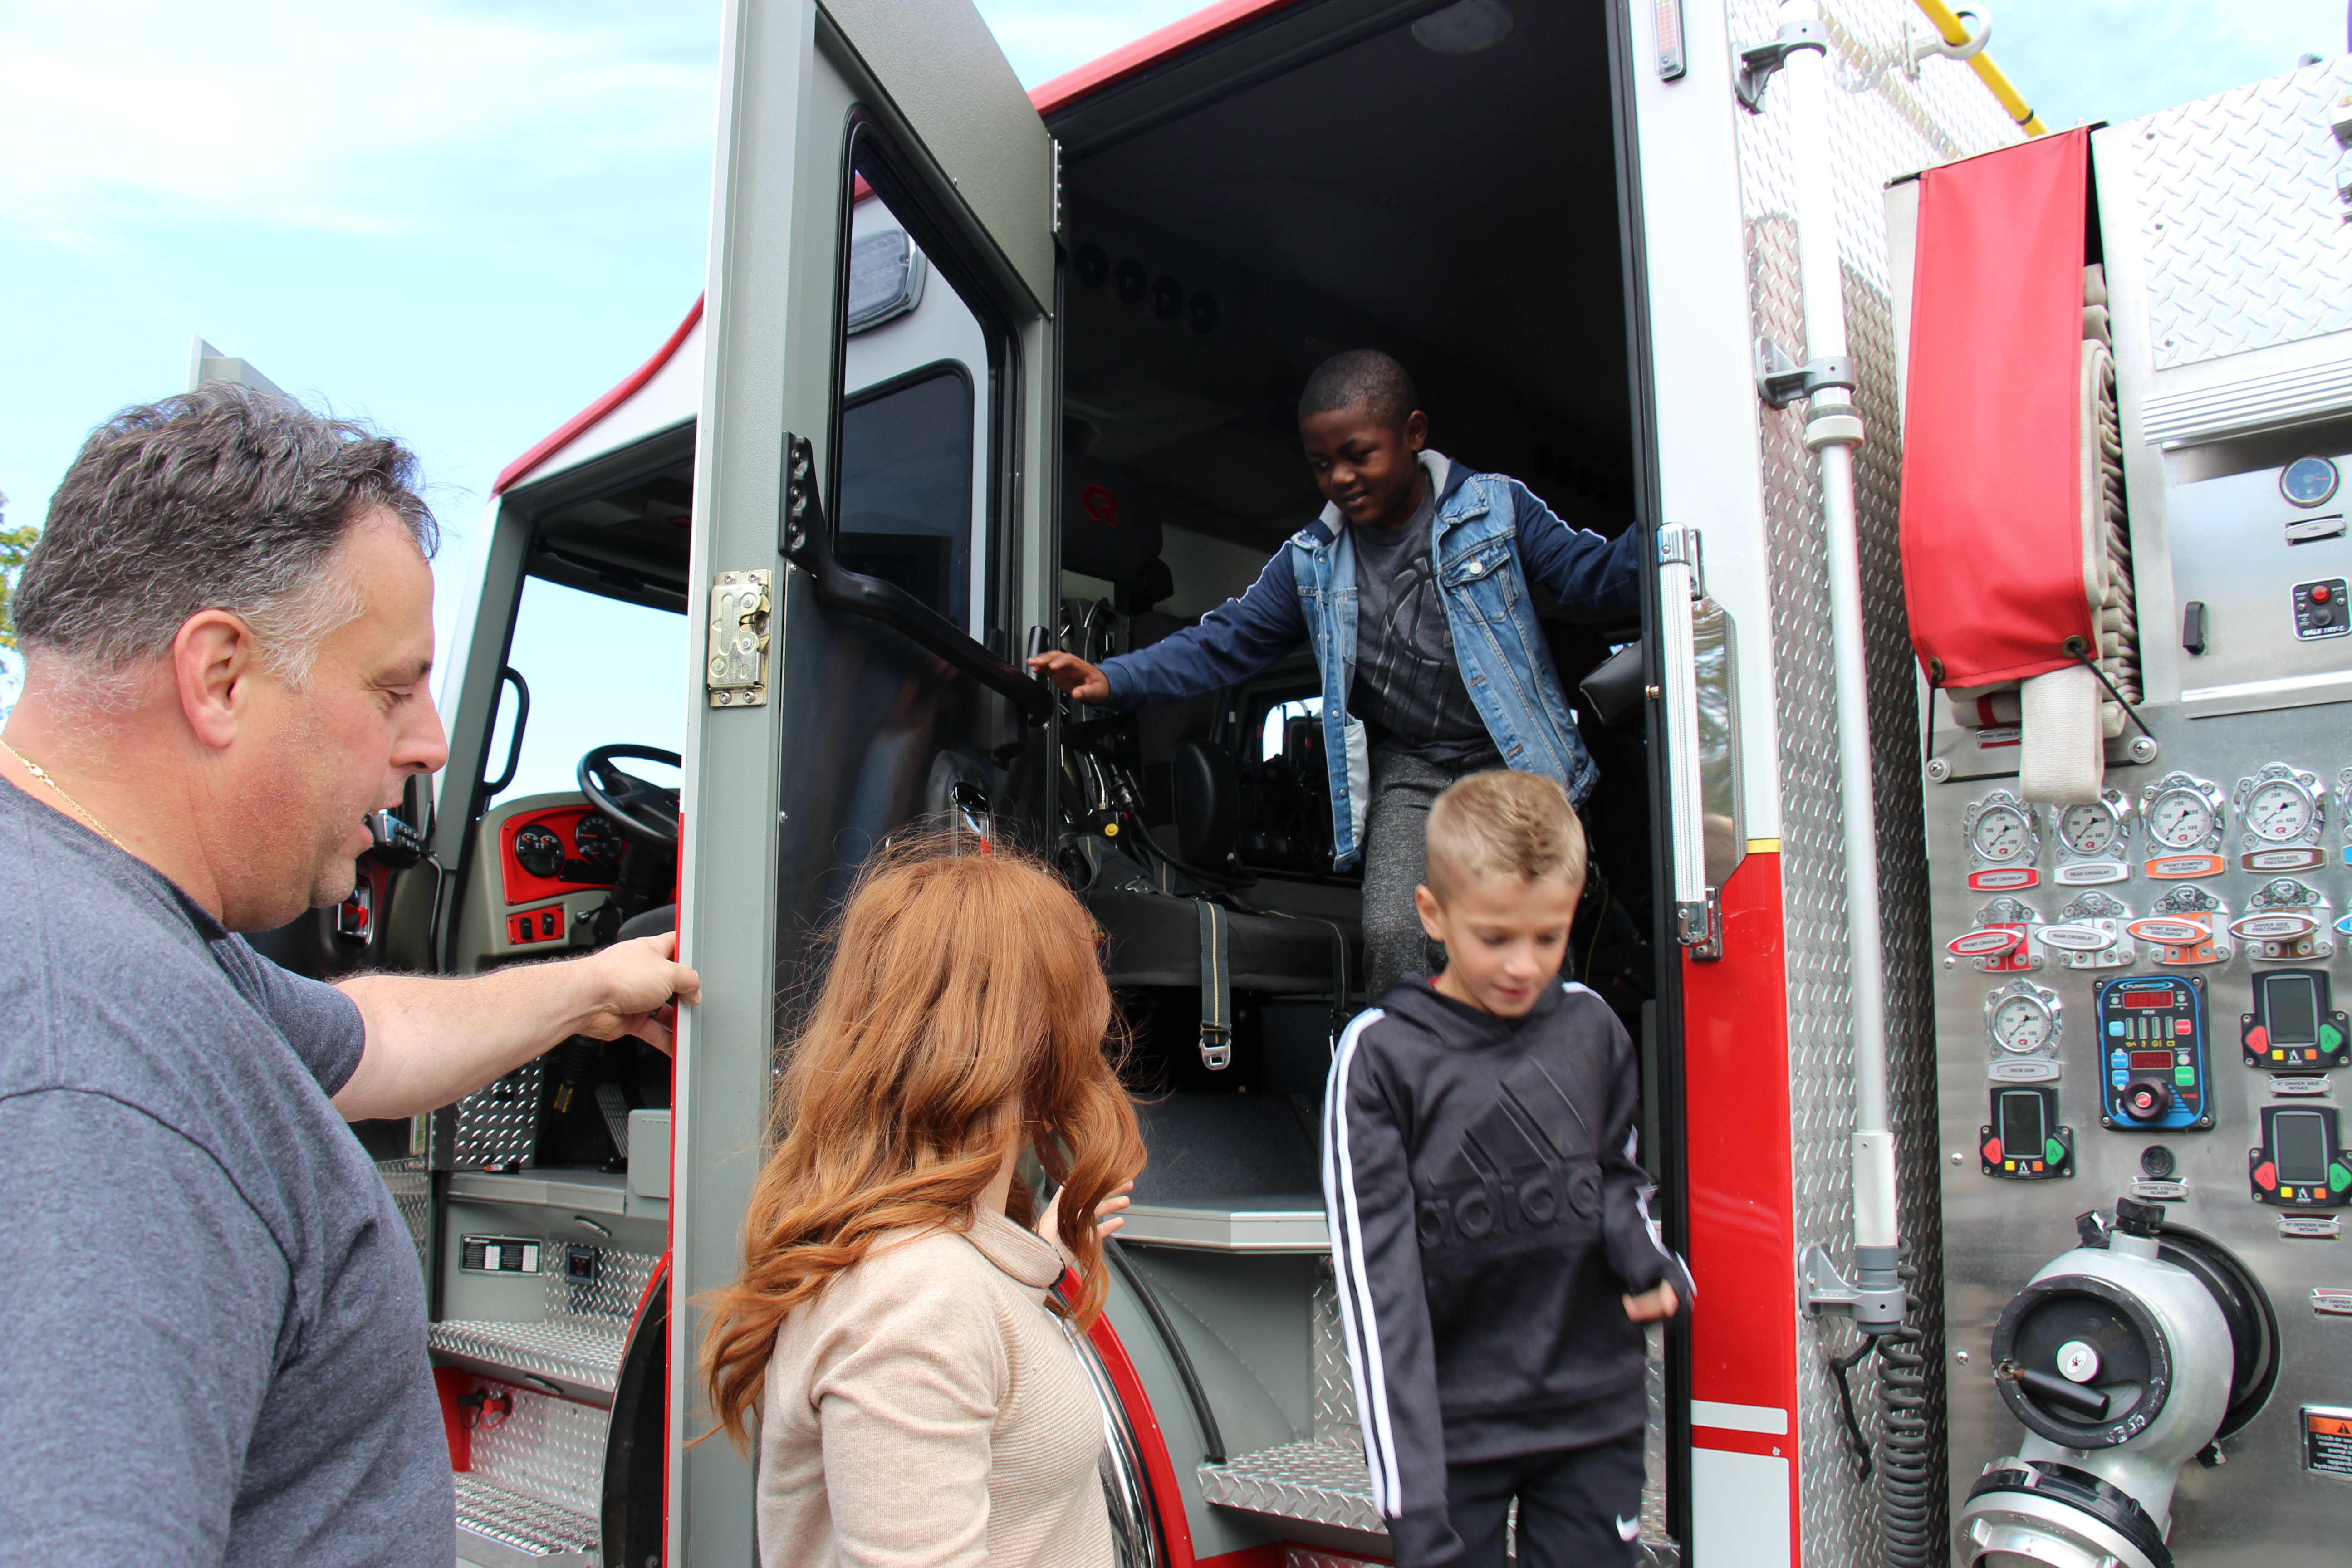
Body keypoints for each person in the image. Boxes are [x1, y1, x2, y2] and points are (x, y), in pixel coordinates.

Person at [0, 387, 701, 1567]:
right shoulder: (100, 1084)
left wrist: (590, 986)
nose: (427, 742)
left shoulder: (108, 946)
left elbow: (359, 1035)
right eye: (390, 687)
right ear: (219, 675)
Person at [1026, 348, 1639, 998]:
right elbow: (1224, 642)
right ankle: (1403, 1082)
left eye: (1359, 454)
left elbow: (1591, 575)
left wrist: (1669, 534)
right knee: (1398, 936)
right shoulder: (1311, 561)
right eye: (1322, 464)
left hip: (1512, 760)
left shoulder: (1497, 510)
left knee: (1528, 948)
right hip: (1415, 771)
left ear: (1414, 434)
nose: (1340, 478)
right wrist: (1115, 678)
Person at [698, 839, 1147, 1568]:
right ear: (1030, 1034)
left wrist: (1028, 1263)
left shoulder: (934, 1266)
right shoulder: (919, 1296)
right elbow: (932, 1321)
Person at [1321, 770, 1690, 1568]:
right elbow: (1378, 1294)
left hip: (1593, 1417)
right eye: (1495, 937)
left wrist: (1645, 1259)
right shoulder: (1382, 1058)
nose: (1525, 966)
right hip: (1456, 1436)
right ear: (1433, 915)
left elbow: (1617, 1179)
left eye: (1548, 937)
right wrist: (1411, 1501)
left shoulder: (1592, 1027)